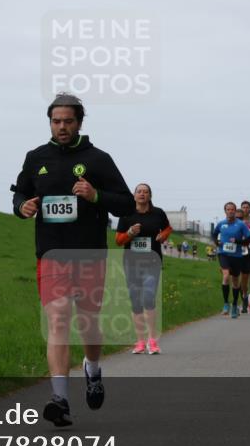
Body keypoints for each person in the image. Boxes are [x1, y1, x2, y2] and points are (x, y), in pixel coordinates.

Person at [12, 92, 135, 427]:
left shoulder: (98, 160)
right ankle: (60, 399)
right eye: (56, 121)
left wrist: (96, 195)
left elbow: (125, 204)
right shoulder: (36, 157)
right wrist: (23, 207)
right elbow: (20, 193)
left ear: (79, 122)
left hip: (90, 254)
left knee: (88, 323)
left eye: (68, 121)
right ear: (49, 123)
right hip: (52, 254)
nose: (62, 127)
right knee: (58, 318)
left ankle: (92, 370)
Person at [115, 183, 172, 355]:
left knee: (148, 297)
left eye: (145, 192)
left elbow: (168, 228)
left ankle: (152, 341)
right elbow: (118, 241)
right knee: (136, 301)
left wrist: (163, 235)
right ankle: (140, 341)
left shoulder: (158, 213)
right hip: (132, 263)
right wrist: (130, 233)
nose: (142, 194)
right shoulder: (126, 215)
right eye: (139, 191)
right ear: (134, 196)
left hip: (152, 262)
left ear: (150, 196)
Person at [211, 202, 250, 318]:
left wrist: (238, 242)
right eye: (228, 209)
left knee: (235, 281)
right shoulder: (221, 224)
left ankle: (234, 304)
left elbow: (249, 240)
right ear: (225, 211)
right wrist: (216, 242)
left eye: (232, 209)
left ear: (235, 211)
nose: (230, 211)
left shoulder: (241, 225)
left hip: (237, 256)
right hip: (223, 253)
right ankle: (225, 303)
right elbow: (214, 234)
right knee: (225, 275)